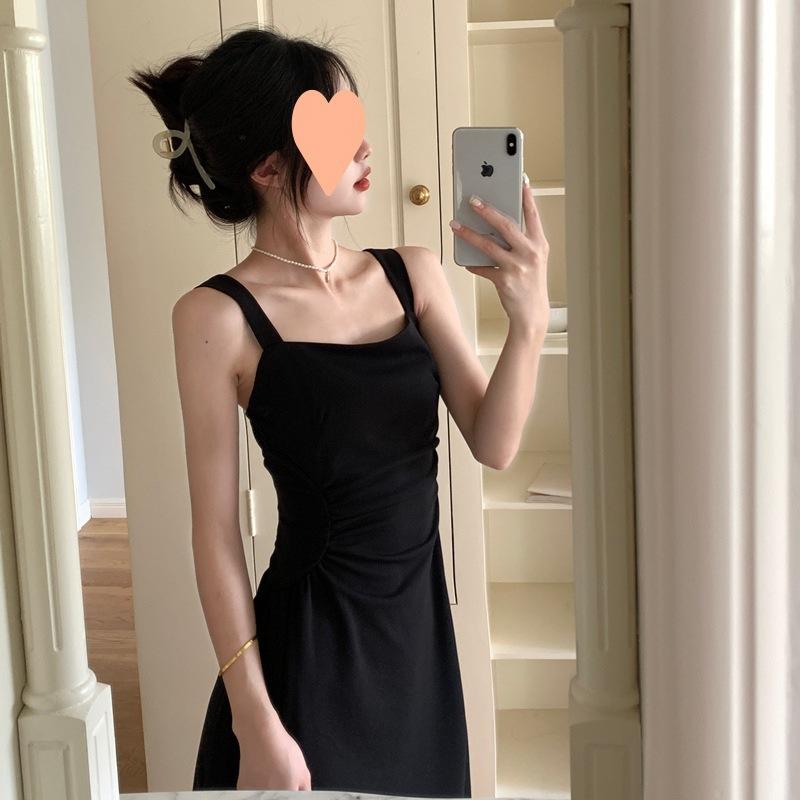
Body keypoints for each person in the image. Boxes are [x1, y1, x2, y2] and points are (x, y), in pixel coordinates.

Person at [129, 24, 550, 797]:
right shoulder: (215, 317)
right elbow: (215, 535)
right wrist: (254, 721)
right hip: (311, 653)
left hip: (419, 646)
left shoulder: (413, 275)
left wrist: (527, 322)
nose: (363, 149)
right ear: (267, 167)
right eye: (333, 133)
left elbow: (494, 443)